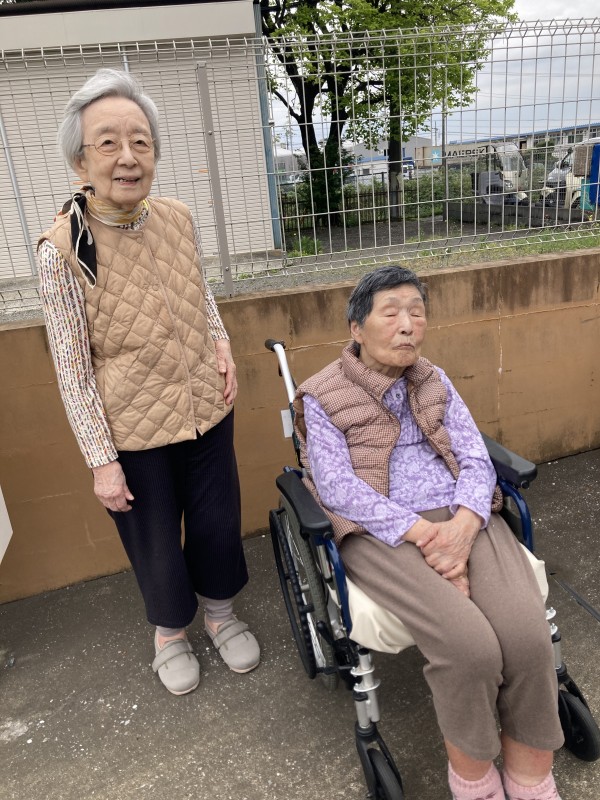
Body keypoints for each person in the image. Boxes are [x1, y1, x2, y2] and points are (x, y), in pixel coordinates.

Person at [293, 266, 564, 800]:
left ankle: (531, 776)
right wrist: (422, 532)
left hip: (463, 515)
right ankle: (474, 782)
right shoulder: (321, 395)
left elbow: (475, 455)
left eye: (417, 313)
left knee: (527, 635)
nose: (407, 325)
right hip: (380, 529)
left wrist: (464, 523)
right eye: (391, 313)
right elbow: (337, 487)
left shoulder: (433, 379)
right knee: (468, 648)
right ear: (356, 327)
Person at [37, 68, 259, 696]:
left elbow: (199, 291)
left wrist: (220, 340)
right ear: (80, 161)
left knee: (216, 522)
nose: (128, 157)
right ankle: (169, 633)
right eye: (108, 143)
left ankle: (220, 613)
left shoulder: (177, 217)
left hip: (206, 408)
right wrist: (100, 461)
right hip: (132, 431)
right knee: (156, 542)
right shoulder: (62, 249)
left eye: (141, 141)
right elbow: (71, 368)